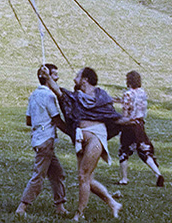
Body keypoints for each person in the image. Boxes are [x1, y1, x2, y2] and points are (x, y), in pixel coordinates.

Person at [41, 66, 132, 221]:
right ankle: (113, 203)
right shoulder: (75, 97)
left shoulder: (101, 95)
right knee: (86, 178)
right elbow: (59, 93)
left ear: (85, 79)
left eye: (77, 75)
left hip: (96, 136)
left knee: (83, 175)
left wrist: (129, 118)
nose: (74, 77)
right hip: (79, 138)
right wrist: (47, 77)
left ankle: (79, 214)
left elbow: (111, 116)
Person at [16, 64, 69, 216]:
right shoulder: (49, 96)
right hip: (45, 142)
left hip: (38, 140)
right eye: (55, 76)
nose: (58, 79)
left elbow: (28, 120)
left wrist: (40, 120)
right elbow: (57, 120)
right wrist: (73, 133)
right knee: (39, 175)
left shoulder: (34, 94)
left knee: (57, 173)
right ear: (47, 77)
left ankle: (60, 207)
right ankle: (22, 208)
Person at [114, 71, 163, 187]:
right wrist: (119, 100)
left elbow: (126, 112)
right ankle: (158, 174)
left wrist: (120, 119)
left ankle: (123, 179)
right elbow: (136, 103)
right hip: (139, 125)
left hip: (129, 125)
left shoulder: (127, 94)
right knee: (144, 150)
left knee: (124, 150)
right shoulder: (142, 93)